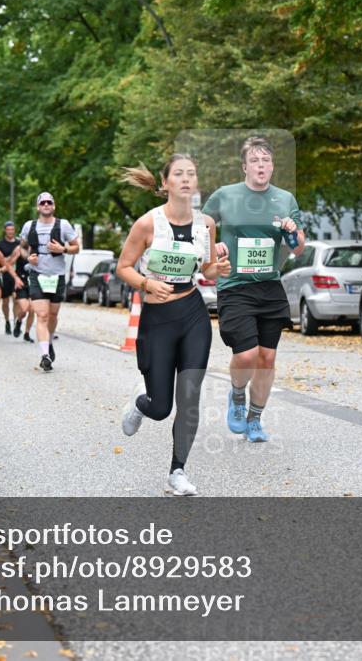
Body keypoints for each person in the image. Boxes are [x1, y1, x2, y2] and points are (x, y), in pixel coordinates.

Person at [116, 155, 230, 496]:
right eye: (178, 174)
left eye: (191, 174)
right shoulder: (147, 224)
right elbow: (124, 267)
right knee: (162, 407)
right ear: (164, 183)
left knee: (190, 398)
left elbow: (207, 269)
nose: (185, 179)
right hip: (157, 319)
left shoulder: (206, 225)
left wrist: (217, 271)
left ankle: (177, 472)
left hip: (193, 314)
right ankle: (141, 402)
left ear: (195, 184)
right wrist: (147, 284)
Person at [201, 136, 305, 443]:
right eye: (255, 161)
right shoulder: (225, 195)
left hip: (269, 286)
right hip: (235, 285)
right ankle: (236, 397)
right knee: (246, 355)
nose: (262, 165)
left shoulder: (285, 199)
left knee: (267, 358)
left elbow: (299, 249)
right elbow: (200, 226)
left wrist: (291, 231)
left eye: (267, 161)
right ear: (244, 166)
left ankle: (255, 419)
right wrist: (213, 242)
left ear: (272, 167)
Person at [20, 192, 81, 372]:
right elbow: (22, 248)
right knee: (42, 315)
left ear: (53, 206)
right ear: (38, 207)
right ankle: (45, 355)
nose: (46, 205)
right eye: (43, 203)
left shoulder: (63, 225)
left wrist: (63, 249)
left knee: (53, 315)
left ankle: (50, 336)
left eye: (49, 202)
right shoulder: (28, 226)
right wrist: (28, 258)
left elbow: (76, 247)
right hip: (37, 274)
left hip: (57, 276)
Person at [0, 221, 23, 335]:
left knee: (16, 300)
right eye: (8, 230)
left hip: (17, 274)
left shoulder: (19, 243)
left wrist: (8, 260)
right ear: (5, 230)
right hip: (4, 275)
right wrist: (10, 259)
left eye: (12, 230)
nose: (10, 232)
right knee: (5, 301)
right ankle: (7, 321)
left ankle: (16, 321)